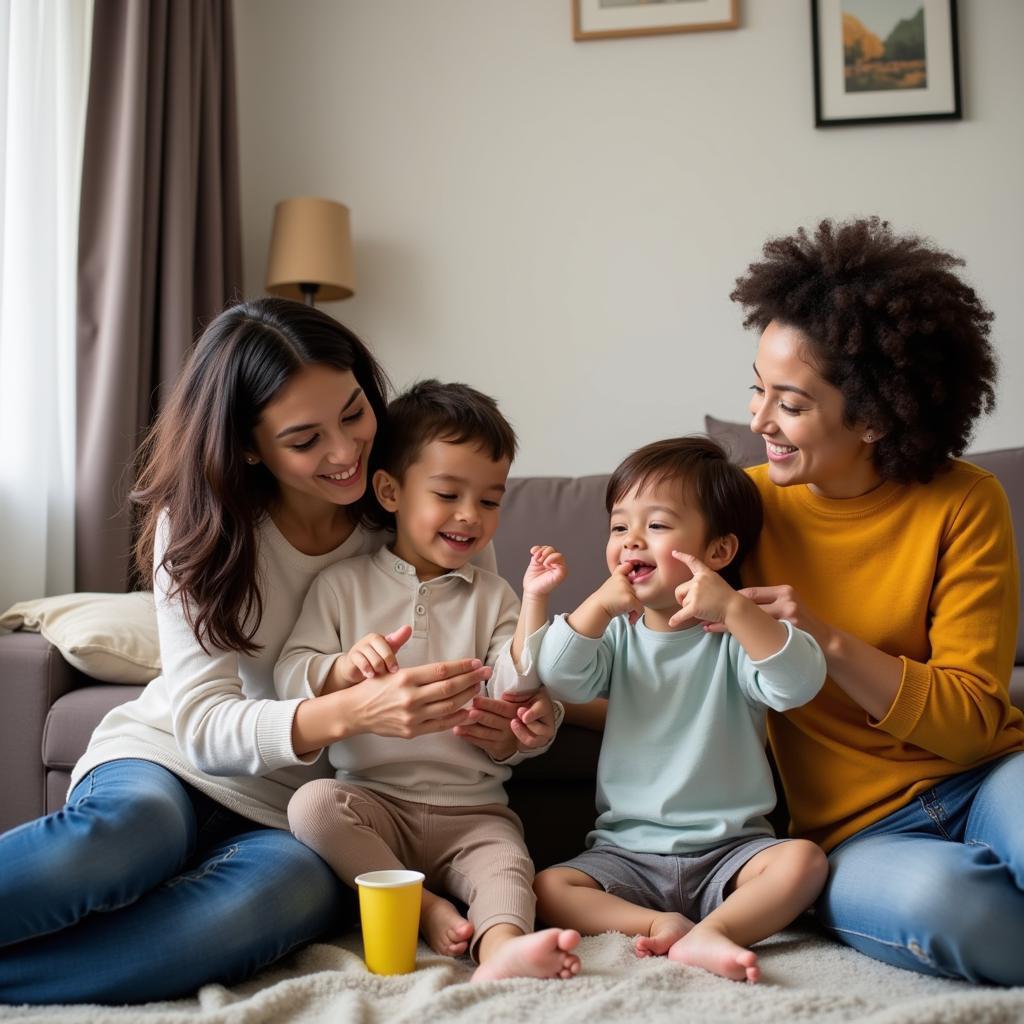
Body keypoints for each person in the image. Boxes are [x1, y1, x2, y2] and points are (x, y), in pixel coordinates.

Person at [0, 299, 534, 1004]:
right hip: (170, 756)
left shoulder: (426, 508)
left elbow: (496, 659)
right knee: (132, 834)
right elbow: (202, 725)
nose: (345, 451)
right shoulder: (198, 528)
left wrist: (508, 720)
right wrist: (348, 709)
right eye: (306, 439)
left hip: (301, 808)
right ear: (250, 446)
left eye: (352, 412)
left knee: (263, 906)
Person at [729, 216, 1024, 985]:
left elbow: (966, 727)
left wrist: (823, 640)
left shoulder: (966, 502)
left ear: (873, 416)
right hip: (855, 836)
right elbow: (639, 651)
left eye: (788, 404)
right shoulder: (738, 508)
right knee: (957, 910)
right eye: (756, 391)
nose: (759, 421)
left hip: (987, 775)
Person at [278, 380, 581, 982]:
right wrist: (340, 670)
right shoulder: (342, 586)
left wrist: (533, 712)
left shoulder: (495, 596)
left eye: (491, 501)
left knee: (508, 867)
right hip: (372, 799)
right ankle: (423, 908)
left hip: (474, 809)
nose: (470, 516)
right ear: (389, 491)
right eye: (448, 494)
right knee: (311, 806)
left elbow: (516, 689)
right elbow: (288, 676)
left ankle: (501, 950)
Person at [533, 437, 828, 983]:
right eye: (619, 527)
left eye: (657, 525)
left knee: (803, 861)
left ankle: (717, 931)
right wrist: (597, 604)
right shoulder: (617, 637)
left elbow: (798, 683)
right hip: (627, 852)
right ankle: (656, 925)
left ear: (717, 552)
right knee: (549, 887)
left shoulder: (736, 639)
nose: (630, 542)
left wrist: (737, 610)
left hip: (732, 848)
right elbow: (559, 674)